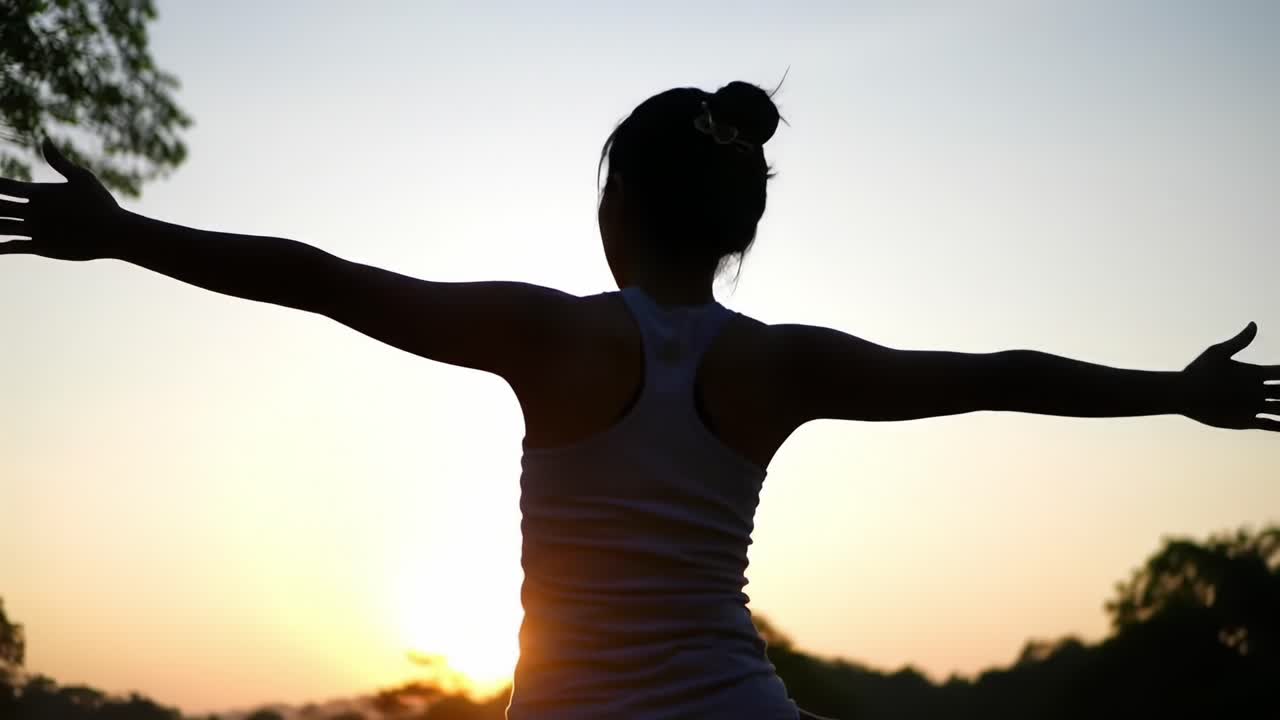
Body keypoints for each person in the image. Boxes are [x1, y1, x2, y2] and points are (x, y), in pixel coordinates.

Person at [1, 80, 1275, 720]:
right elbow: (996, 380)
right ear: (733, 237)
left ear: (611, 213)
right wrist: (1174, 392)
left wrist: (125, 237)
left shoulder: (544, 334)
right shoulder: (778, 364)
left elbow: (321, 280)